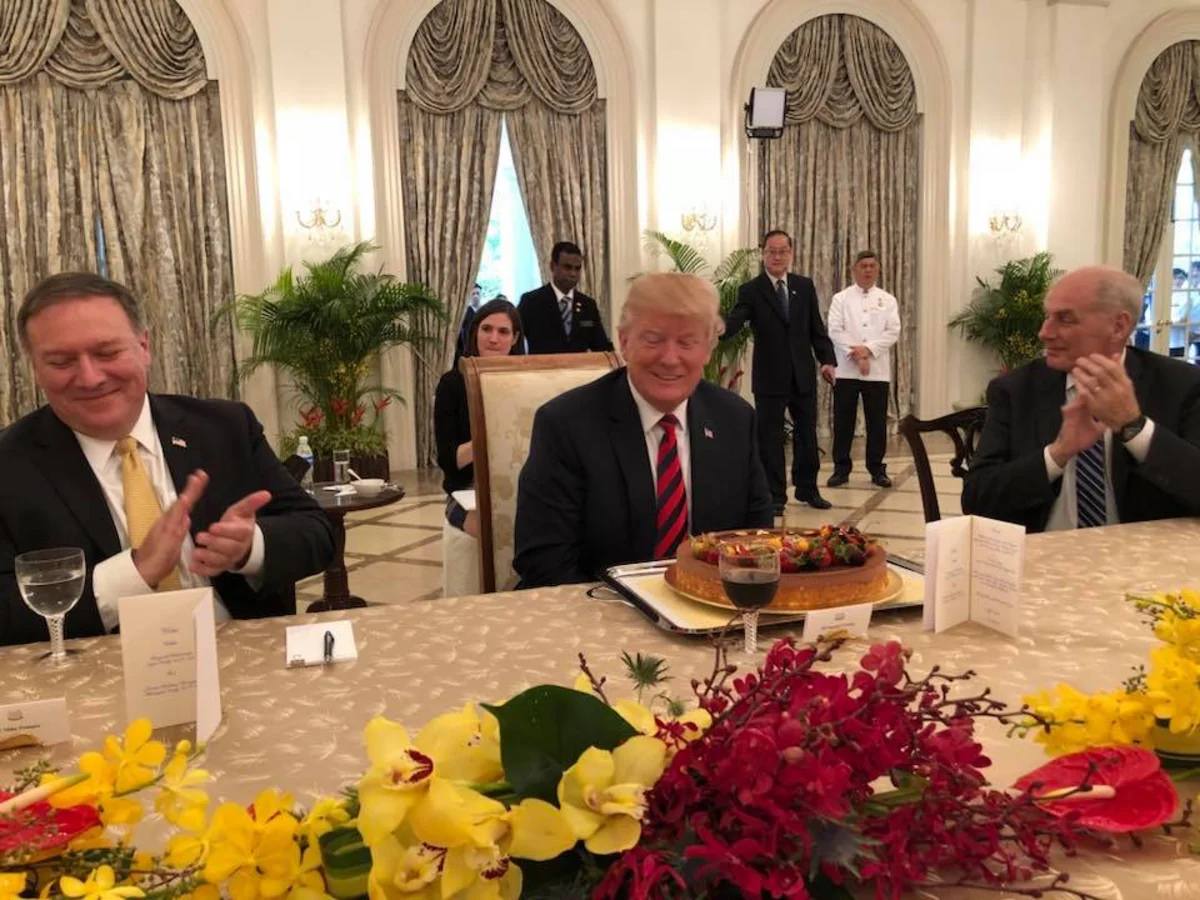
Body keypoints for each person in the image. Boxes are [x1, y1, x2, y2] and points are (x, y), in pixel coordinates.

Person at [0, 273, 336, 647]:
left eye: (107, 353)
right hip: (94, 680)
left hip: (241, 659)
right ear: (35, 368)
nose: (90, 377)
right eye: (62, 362)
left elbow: (318, 533)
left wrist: (249, 547)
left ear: (144, 346)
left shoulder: (224, 427)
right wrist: (133, 574)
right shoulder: (8, 464)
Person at [513, 272, 773, 588]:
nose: (670, 358)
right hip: (598, 616)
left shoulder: (735, 419)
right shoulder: (565, 424)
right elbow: (545, 562)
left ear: (707, 350)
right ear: (624, 341)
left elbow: (756, 541)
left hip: (710, 615)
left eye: (687, 342)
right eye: (653, 339)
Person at [962, 265, 1200, 532]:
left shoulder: (1182, 385)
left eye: (1065, 319)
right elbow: (976, 499)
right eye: (1047, 317)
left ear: (1118, 326)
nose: (1044, 332)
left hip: (1145, 562)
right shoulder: (1015, 390)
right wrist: (1058, 453)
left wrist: (1134, 428)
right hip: (1043, 559)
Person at [723, 230, 837, 514]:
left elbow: (816, 329)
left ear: (791, 254)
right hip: (770, 377)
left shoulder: (804, 286)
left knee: (807, 435)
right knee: (770, 439)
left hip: (802, 375)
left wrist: (827, 360)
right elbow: (737, 319)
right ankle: (774, 495)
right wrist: (716, 328)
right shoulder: (751, 289)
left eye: (783, 251)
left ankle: (807, 488)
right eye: (771, 251)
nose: (777, 256)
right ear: (763, 254)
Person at [434, 299, 524, 538]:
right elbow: (448, 460)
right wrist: (492, 436)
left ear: (515, 339)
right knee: (491, 527)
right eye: (486, 329)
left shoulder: (528, 382)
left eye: (503, 331)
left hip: (521, 487)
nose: (493, 338)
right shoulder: (452, 384)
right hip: (466, 492)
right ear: (475, 332)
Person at [826, 250, 902, 489]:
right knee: (843, 421)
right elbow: (835, 330)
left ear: (878, 269)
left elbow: (893, 332)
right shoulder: (841, 298)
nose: (868, 270)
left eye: (872, 266)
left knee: (877, 422)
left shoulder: (888, 300)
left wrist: (868, 351)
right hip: (846, 370)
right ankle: (841, 468)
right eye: (863, 266)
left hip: (877, 372)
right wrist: (857, 354)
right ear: (854, 270)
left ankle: (877, 469)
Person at [518, 241, 612, 354]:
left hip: (578, 370)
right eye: (567, 267)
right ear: (552, 266)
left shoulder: (588, 305)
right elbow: (514, 339)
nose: (573, 274)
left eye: (577, 269)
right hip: (542, 369)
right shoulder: (531, 302)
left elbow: (601, 346)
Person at [453, 283, 483, 366]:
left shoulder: (484, 311)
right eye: (473, 294)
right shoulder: (465, 313)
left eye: (478, 293)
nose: (476, 296)